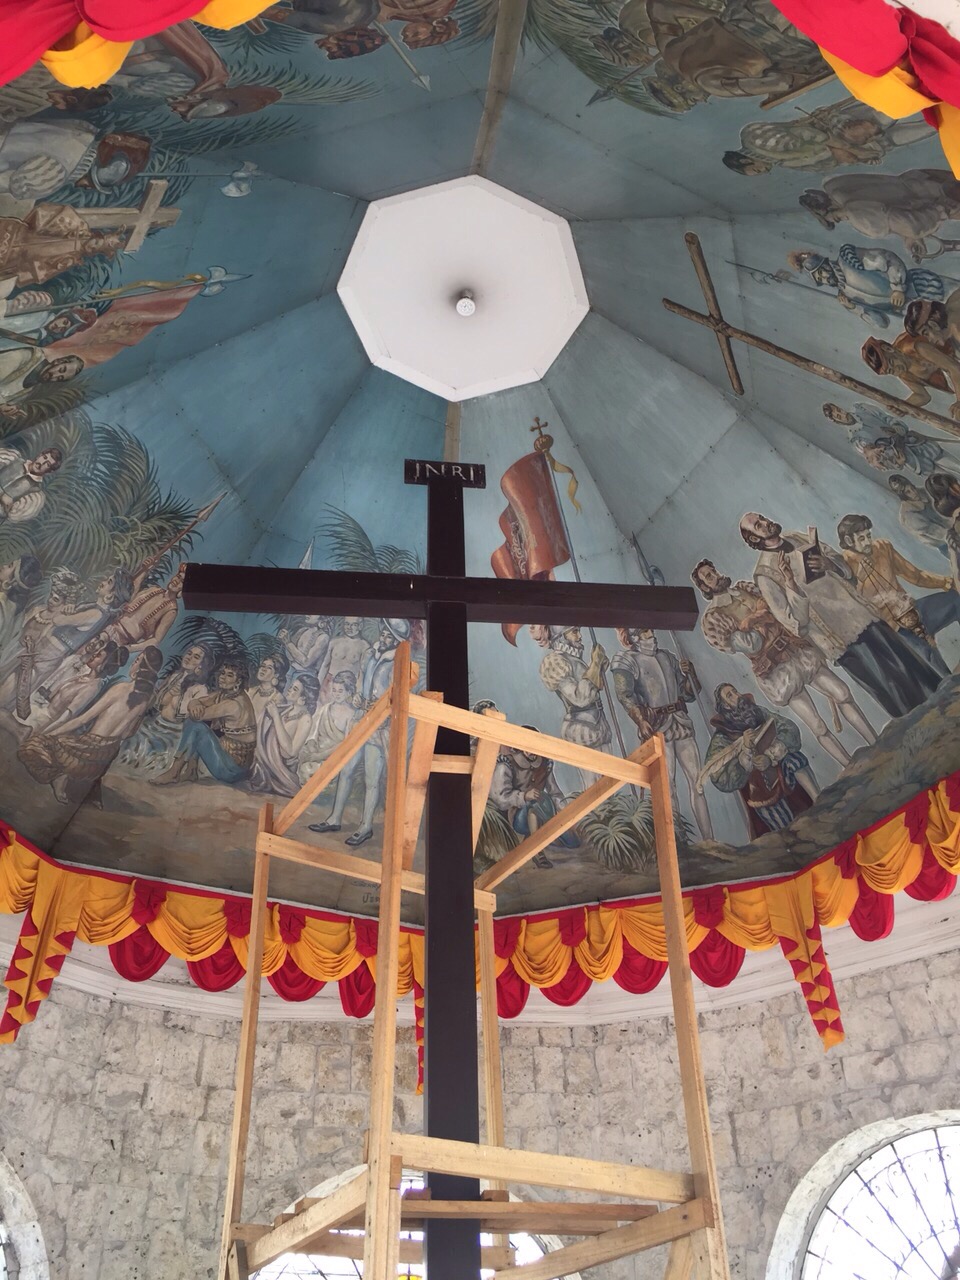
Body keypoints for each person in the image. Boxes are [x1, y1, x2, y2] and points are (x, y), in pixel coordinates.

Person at [740, 512, 943, 717]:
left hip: (860, 613)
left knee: (908, 665)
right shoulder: (765, 574)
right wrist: (790, 583)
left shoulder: (796, 537)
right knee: (889, 685)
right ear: (754, 539)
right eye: (758, 525)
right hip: (838, 636)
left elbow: (846, 570)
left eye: (762, 518)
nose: (765, 522)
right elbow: (794, 624)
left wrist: (829, 564)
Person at [691, 558, 869, 764]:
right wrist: (762, 615)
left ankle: (876, 742)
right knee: (818, 725)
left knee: (843, 693)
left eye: (713, 570)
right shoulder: (714, 619)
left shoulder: (744, 588)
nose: (715, 575)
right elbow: (752, 644)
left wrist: (752, 620)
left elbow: (777, 610)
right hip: (775, 670)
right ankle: (850, 765)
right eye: (709, 576)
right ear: (705, 587)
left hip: (796, 649)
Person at [18, 646, 162, 806]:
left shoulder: (120, 689)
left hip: (85, 751)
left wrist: (49, 733)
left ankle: (59, 776)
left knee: (30, 747)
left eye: (137, 660)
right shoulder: (146, 700)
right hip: (102, 760)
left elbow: (82, 719)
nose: (133, 663)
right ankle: (71, 779)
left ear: (141, 668)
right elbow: (127, 734)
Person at [308, 618, 408, 845]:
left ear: (396, 642)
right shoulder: (371, 655)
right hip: (361, 719)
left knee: (372, 778)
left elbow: (398, 697)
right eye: (383, 634)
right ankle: (334, 818)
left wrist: (383, 710)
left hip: (380, 725)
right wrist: (356, 698)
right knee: (347, 770)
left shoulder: (397, 663)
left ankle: (365, 826)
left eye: (389, 637)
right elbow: (363, 682)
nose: (384, 638)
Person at [610, 627, 714, 840]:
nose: (652, 635)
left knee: (698, 783)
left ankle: (709, 840)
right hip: (657, 726)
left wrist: (691, 675)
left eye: (651, 631)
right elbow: (625, 695)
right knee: (668, 788)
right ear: (633, 636)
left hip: (680, 723)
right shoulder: (626, 660)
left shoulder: (667, 656)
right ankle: (679, 842)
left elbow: (688, 693)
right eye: (645, 632)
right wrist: (640, 720)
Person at [0, 565, 133, 715]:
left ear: (110, 596)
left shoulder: (96, 614)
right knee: (14, 680)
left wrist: (68, 606)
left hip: (48, 654)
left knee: (16, 683)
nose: (103, 582)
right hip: (44, 650)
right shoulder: (94, 609)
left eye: (109, 582)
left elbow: (58, 620)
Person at [836, 513, 959, 668]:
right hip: (895, 630)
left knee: (956, 599)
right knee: (931, 662)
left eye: (868, 536)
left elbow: (915, 576)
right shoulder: (844, 568)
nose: (868, 542)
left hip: (913, 610)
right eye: (861, 539)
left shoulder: (882, 547)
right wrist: (859, 580)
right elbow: (855, 611)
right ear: (848, 541)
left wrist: (948, 582)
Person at [702, 684, 817, 838]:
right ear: (726, 706)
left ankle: (820, 802)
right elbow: (719, 776)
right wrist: (745, 754)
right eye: (730, 695)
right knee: (788, 831)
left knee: (795, 759)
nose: (737, 695)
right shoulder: (722, 737)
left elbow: (789, 728)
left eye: (735, 691)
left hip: (779, 770)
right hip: (759, 788)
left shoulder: (757, 712)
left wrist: (770, 756)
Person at [799, 170, 960, 263]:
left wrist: (939, 211)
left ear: (829, 207)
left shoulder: (856, 213)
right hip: (926, 181)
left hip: (946, 197)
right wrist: (909, 238)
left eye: (836, 218)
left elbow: (909, 224)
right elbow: (891, 209)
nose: (841, 219)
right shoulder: (840, 188)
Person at [724, 104, 930, 177]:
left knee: (886, 115)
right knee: (922, 130)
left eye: (757, 170)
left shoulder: (756, 140)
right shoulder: (785, 163)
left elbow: (810, 134)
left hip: (843, 128)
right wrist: (859, 158)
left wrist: (854, 151)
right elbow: (824, 164)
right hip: (864, 146)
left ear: (746, 159)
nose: (765, 171)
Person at [151, 657, 256, 785]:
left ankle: (174, 772)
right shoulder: (225, 694)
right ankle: (191, 771)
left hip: (233, 770)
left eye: (229, 675)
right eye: (222, 673)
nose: (223, 677)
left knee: (196, 726)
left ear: (238, 681)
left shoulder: (233, 704)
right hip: (229, 761)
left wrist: (195, 707)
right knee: (196, 725)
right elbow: (198, 701)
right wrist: (195, 703)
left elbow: (198, 716)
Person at [786, 245, 944, 327]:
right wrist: (854, 308)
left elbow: (887, 258)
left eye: (822, 272)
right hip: (916, 315)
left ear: (826, 264)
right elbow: (881, 323)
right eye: (820, 279)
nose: (825, 278)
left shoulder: (848, 258)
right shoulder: (845, 297)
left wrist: (898, 288)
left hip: (923, 287)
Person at [488, 728, 578, 868]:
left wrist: (566, 813)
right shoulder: (506, 764)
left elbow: (554, 793)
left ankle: (542, 835)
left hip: (544, 811)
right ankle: (536, 852)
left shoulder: (544, 764)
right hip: (517, 817)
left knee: (573, 842)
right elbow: (500, 798)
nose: (531, 750)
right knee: (533, 805)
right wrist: (524, 796)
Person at [121, 641, 215, 770]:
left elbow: (191, 717)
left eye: (196, 657)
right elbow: (159, 702)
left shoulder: (200, 689)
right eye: (189, 653)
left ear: (201, 666)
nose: (189, 657)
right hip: (153, 725)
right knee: (128, 745)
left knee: (147, 759)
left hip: (172, 734)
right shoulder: (175, 677)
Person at [531, 623, 612, 751]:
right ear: (561, 637)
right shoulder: (555, 661)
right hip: (580, 730)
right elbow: (580, 698)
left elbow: (591, 689)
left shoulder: (575, 659)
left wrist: (599, 668)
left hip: (599, 726)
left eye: (578, 631)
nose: (580, 636)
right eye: (574, 632)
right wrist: (595, 665)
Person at [31, 637, 127, 733]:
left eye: (98, 655)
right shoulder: (84, 676)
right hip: (40, 712)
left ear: (104, 664)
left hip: (42, 723)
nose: (94, 655)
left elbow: (64, 719)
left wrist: (42, 734)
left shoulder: (91, 688)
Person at [250, 672, 320, 796]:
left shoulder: (306, 719)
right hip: (268, 762)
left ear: (303, 698)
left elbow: (291, 751)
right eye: (291, 686)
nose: (289, 690)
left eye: (295, 689)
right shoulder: (287, 708)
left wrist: (276, 716)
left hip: (282, 769)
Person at [862, 334, 960, 419]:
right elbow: (922, 396)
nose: (896, 370)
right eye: (891, 371)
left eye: (892, 363)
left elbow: (953, 367)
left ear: (888, 349)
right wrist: (903, 406)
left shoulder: (915, 347)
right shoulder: (903, 372)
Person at [103, 562, 185, 655]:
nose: (177, 581)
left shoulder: (171, 610)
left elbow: (155, 640)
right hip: (110, 627)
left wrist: (128, 648)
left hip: (122, 642)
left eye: (182, 582)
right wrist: (145, 570)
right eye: (178, 576)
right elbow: (131, 596)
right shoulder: (155, 589)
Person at [298, 670, 361, 786]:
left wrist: (320, 756)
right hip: (317, 750)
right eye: (334, 690)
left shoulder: (351, 715)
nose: (336, 694)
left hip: (333, 757)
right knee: (303, 762)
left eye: (340, 691)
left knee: (310, 771)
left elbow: (345, 744)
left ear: (348, 692)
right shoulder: (325, 709)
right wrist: (313, 750)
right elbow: (313, 734)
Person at [0, 446, 61, 521]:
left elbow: (9, 514)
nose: (42, 463)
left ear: (50, 471)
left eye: (47, 464)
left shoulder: (35, 492)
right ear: (39, 455)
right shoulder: (14, 459)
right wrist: (4, 495)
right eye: (44, 457)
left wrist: (6, 504)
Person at [316, 617, 370, 697]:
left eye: (354, 625)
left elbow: (362, 673)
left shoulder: (364, 646)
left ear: (360, 626)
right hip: (329, 684)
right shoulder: (334, 642)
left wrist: (358, 693)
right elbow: (325, 665)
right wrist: (317, 685)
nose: (349, 628)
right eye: (347, 624)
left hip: (349, 686)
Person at [0, 554, 41, 654]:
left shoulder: (3, 608)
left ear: (12, 581)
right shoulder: (15, 609)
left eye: (9, 566)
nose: (3, 566)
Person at [248, 651, 291, 723]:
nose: (263, 669)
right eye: (263, 666)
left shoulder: (278, 699)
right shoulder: (251, 691)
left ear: (276, 674)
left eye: (269, 668)